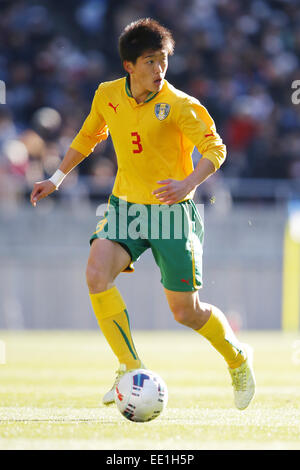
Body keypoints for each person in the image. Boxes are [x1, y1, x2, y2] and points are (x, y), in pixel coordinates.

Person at [30, 18, 255, 410]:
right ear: (129, 66)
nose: (159, 69)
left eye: (163, 60)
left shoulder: (182, 105)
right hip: (126, 208)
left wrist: (188, 184)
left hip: (172, 214)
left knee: (185, 311)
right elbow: (88, 136)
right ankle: (130, 366)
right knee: (96, 274)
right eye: (150, 61)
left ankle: (237, 359)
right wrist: (56, 178)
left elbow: (216, 150)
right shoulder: (107, 94)